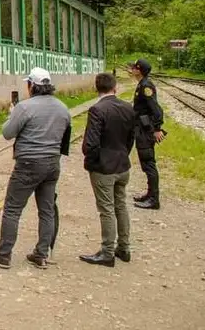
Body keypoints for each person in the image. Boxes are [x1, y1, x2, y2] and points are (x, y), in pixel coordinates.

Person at [0, 67, 71, 270]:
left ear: (32, 85)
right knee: (46, 210)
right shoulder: (62, 108)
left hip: (28, 164)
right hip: (52, 163)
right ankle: (41, 254)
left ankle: (3, 254)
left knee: (12, 209)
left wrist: (11, 115)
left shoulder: (24, 108)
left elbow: (7, 133)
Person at [79, 72, 136, 267]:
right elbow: (130, 139)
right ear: (115, 87)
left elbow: (91, 144)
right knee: (120, 205)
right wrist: (123, 154)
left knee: (106, 210)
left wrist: (92, 161)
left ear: (97, 88)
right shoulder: (128, 108)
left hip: (104, 168)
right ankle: (124, 247)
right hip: (122, 165)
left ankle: (107, 252)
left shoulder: (97, 110)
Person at [127, 58, 165, 210]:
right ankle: (150, 194)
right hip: (141, 128)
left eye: (135, 68)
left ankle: (154, 199)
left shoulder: (146, 86)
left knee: (149, 163)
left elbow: (156, 109)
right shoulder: (142, 84)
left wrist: (157, 128)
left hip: (145, 130)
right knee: (146, 163)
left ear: (139, 70)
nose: (132, 70)